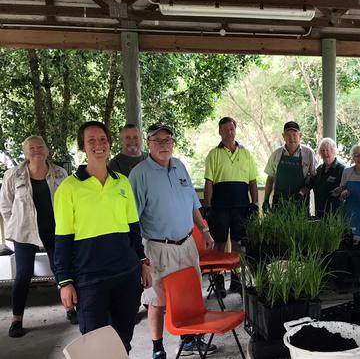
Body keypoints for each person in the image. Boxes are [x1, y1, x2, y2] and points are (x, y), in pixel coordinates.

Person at [53, 121, 152, 353]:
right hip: (90, 279)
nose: (99, 145)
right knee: (96, 345)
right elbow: (62, 241)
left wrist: (143, 262)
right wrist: (64, 281)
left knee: (122, 340)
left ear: (109, 144)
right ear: (83, 147)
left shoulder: (122, 182)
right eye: (92, 141)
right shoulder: (69, 188)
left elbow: (133, 230)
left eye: (103, 140)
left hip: (126, 275)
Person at [130, 124, 216, 359]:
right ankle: (158, 348)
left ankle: (189, 339)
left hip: (187, 244)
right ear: (148, 144)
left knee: (189, 294)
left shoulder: (180, 166)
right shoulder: (139, 174)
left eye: (167, 140)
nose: (163, 144)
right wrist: (141, 258)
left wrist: (204, 230)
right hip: (158, 247)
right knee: (156, 300)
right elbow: (132, 219)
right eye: (157, 140)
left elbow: (193, 204)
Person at [0, 136, 75, 338]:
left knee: (62, 270)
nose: (36, 151)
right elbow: (6, 206)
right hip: (25, 233)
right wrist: (16, 225)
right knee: (23, 275)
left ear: (47, 150)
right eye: (31, 148)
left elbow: (69, 201)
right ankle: (17, 320)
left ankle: (70, 309)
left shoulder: (60, 173)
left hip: (55, 231)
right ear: (24, 152)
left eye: (40, 147)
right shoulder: (13, 175)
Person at [203, 117, 258, 295]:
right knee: (219, 245)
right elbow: (209, 182)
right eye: (225, 129)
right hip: (219, 207)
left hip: (241, 207)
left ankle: (236, 281)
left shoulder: (246, 154)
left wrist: (255, 204)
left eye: (232, 128)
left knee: (237, 244)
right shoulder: (213, 154)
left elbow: (253, 182)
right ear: (219, 131)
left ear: (236, 130)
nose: (229, 132)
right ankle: (218, 282)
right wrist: (208, 207)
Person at [263, 121, 317, 214]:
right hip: (279, 203)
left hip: (301, 203)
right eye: (288, 135)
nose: (291, 138)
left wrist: (302, 193)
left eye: (294, 135)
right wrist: (266, 200)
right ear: (283, 136)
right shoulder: (276, 154)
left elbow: (314, 177)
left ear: (300, 135)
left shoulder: (308, 153)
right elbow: (270, 178)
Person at [308, 137, 345, 218]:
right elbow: (309, 184)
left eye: (327, 150)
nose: (325, 153)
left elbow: (345, 189)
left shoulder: (342, 169)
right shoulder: (319, 169)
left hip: (335, 214)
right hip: (319, 212)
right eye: (322, 151)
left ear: (333, 151)